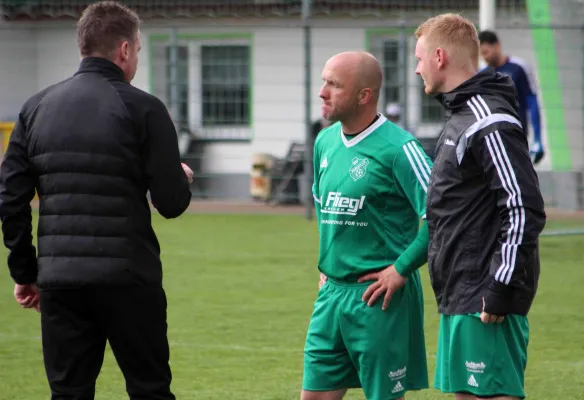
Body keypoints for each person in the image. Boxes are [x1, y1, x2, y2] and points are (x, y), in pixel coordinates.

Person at [0, 1, 193, 399]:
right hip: (129, 277)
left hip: (61, 279)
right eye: (138, 50)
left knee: (69, 393)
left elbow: (10, 199)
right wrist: (181, 177)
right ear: (124, 49)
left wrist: (25, 271)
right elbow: (171, 202)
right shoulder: (144, 108)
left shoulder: (35, 109)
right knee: (150, 389)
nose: (136, 58)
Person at [414, 14, 546, 400]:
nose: (416, 67)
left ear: (439, 56)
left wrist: (500, 286)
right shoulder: (461, 115)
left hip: (485, 295)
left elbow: (523, 206)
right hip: (461, 292)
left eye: (419, 58)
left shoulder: (488, 119)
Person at [303, 51, 432, 400]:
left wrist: (401, 269)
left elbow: (442, 216)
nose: (322, 92)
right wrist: (329, 262)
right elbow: (322, 204)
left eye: (334, 84)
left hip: (380, 295)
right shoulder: (324, 141)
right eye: (323, 81)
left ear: (365, 95)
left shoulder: (401, 149)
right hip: (330, 295)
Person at [478, 30, 544, 165]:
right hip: (492, 136)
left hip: (517, 134)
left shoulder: (519, 67)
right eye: (481, 54)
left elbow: (532, 101)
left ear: (497, 46)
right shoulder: (482, 75)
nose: (485, 57)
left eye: (486, 52)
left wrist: (537, 139)